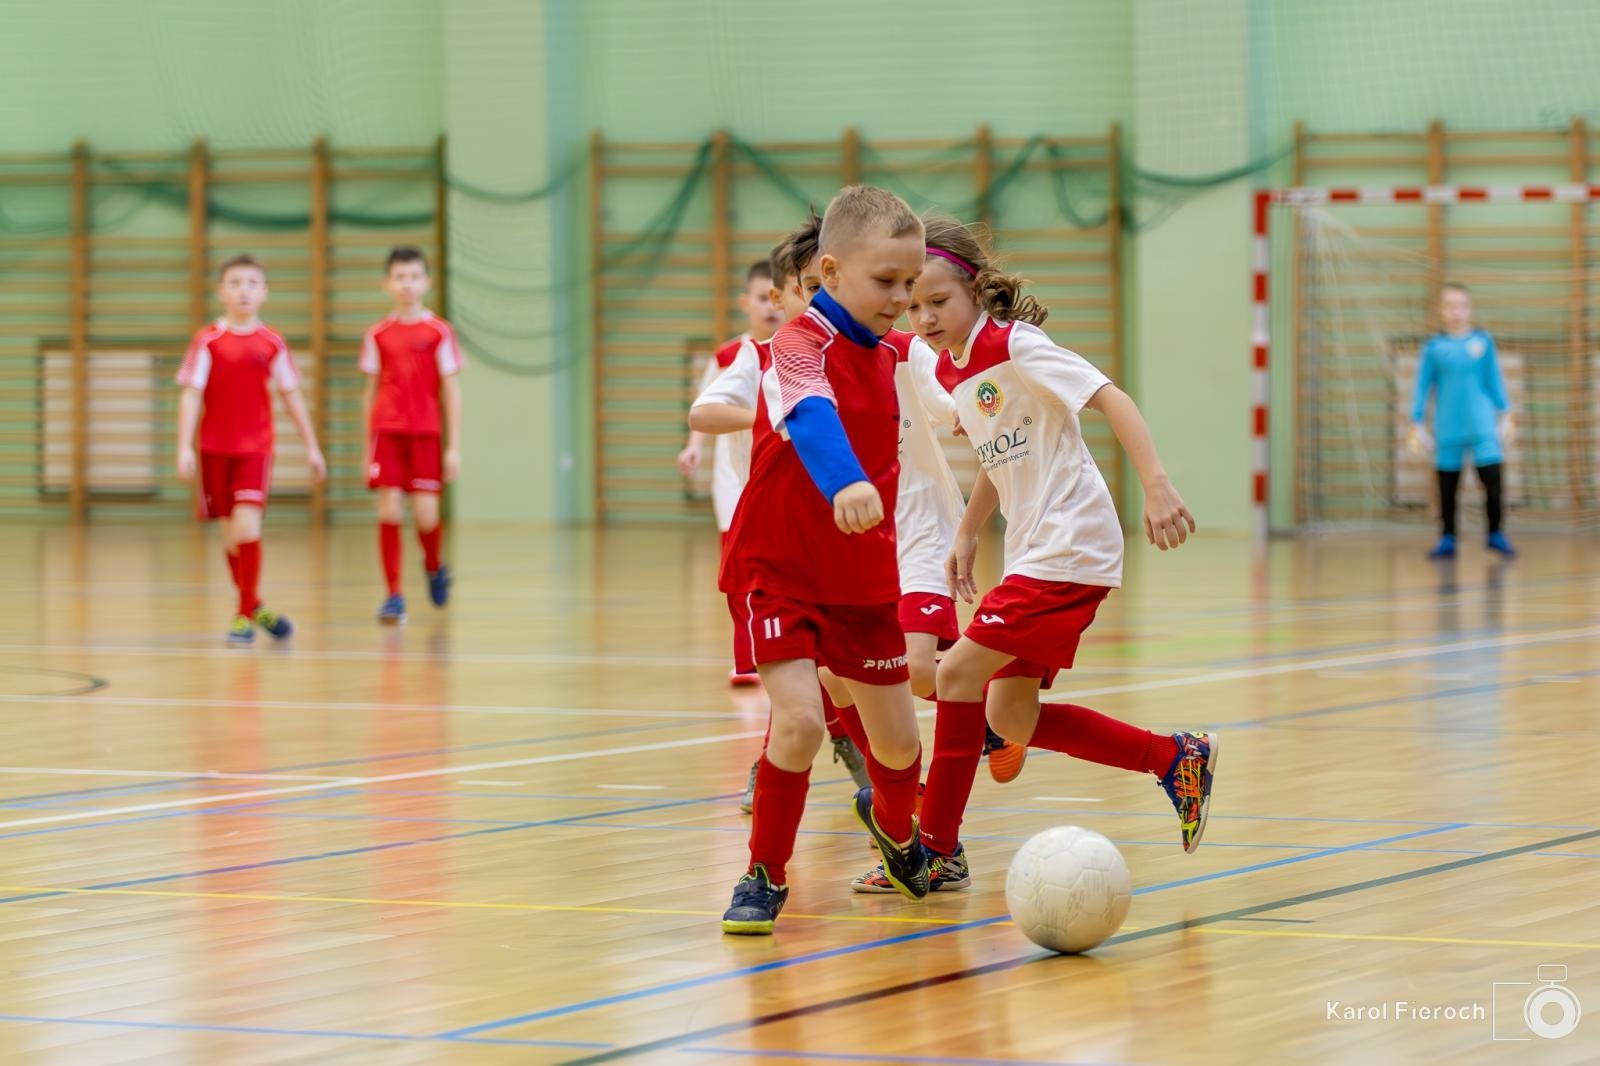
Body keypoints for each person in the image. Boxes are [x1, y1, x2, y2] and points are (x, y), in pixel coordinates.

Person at [860, 216, 1216, 893]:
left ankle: (933, 849)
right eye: (914, 305)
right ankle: (1175, 758)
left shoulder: (1017, 345)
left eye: (939, 301)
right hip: (1033, 549)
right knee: (1008, 716)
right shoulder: (951, 367)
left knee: (957, 674)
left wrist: (1158, 486)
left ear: (976, 289)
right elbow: (1001, 455)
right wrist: (967, 532)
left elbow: (1112, 399)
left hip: (1071, 543)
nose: (926, 317)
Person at [716, 186, 930, 934]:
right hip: (779, 568)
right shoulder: (795, 346)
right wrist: (846, 482)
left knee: (900, 747)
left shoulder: (900, 353)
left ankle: (897, 829)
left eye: (912, 283)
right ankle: (763, 874)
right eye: (887, 283)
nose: (903, 298)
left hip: (862, 579)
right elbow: (812, 416)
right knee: (801, 724)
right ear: (831, 272)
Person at [691, 216, 871, 813]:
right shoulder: (755, 357)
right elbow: (704, 415)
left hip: (845, 532)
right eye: (809, 289)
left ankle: (852, 742)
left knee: (840, 669)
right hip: (771, 530)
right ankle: (787, 764)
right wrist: (778, 412)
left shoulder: (871, 352)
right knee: (797, 670)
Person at [176, 254, 326, 645]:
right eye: (236, 283)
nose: (244, 290)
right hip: (214, 450)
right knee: (229, 539)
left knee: (246, 526)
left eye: (252, 283)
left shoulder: (272, 343)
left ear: (265, 293)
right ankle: (256, 604)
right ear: (221, 291)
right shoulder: (207, 341)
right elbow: (191, 395)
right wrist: (184, 446)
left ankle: (242, 616)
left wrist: (312, 447)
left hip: (255, 450)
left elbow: (292, 396)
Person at [679, 261, 784, 684]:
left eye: (777, 297)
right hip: (734, 480)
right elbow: (704, 407)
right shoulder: (729, 355)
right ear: (746, 303)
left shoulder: (800, 351)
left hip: (778, 475)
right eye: (762, 298)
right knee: (739, 571)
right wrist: (693, 448)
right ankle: (746, 660)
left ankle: (785, 651)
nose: (770, 307)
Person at [361, 247, 464, 623]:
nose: (407, 284)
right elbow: (369, 392)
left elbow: (451, 390)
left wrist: (453, 447)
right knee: (389, 508)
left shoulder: (439, 332)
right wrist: (365, 447)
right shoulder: (378, 334)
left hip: (425, 433)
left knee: (425, 515)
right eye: (400, 277)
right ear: (387, 284)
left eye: (414, 276)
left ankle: (434, 566)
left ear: (427, 282)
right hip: (386, 432)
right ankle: (393, 595)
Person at [1408, 283, 1515, 559]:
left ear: (1470, 309)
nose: (1456, 311)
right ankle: (1447, 538)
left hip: (1482, 426)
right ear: (1442, 310)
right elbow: (1422, 386)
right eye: (1450, 305)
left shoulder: (1483, 342)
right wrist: (1416, 422)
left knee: (1492, 481)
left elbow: (1494, 380)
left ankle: (1496, 534)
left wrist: (1506, 413)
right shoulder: (1433, 347)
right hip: (1448, 428)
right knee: (1447, 487)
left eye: (1461, 305)